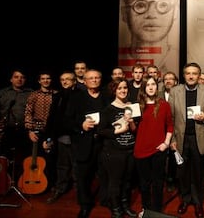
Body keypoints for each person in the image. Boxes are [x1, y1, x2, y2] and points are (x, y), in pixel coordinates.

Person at [168, 62, 204, 218]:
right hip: (181, 139)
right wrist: (172, 139)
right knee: (182, 173)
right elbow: (171, 118)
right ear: (184, 75)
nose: (190, 76)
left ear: (199, 75)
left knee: (197, 172)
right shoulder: (175, 91)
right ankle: (185, 199)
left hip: (199, 138)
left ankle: (197, 202)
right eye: (188, 73)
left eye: (194, 73)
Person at [64, 69, 110, 218]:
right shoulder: (76, 97)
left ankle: (105, 200)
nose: (95, 80)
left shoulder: (107, 96)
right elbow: (68, 120)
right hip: (84, 143)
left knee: (105, 174)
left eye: (97, 77)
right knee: (83, 177)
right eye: (91, 78)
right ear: (84, 81)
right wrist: (81, 126)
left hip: (104, 143)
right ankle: (85, 205)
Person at [97, 78, 138, 218]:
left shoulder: (131, 106)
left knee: (127, 182)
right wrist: (117, 131)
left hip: (130, 151)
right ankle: (116, 209)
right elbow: (100, 131)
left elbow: (135, 130)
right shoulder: (108, 109)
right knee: (115, 182)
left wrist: (132, 123)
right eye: (119, 88)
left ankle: (125, 205)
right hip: (114, 152)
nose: (123, 90)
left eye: (125, 87)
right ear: (114, 90)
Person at [134, 76, 174, 212]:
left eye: (153, 84)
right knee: (144, 184)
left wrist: (166, 143)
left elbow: (170, 126)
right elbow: (134, 129)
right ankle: (146, 209)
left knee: (158, 183)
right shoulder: (137, 106)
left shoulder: (164, 105)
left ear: (157, 87)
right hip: (141, 150)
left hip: (159, 150)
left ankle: (156, 211)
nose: (151, 87)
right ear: (144, 88)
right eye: (147, 85)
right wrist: (129, 121)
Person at [0, 69, 33, 183]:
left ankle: (21, 182)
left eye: (22, 77)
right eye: (16, 77)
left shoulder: (31, 93)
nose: (19, 79)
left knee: (24, 158)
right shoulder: (1, 94)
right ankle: (5, 182)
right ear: (11, 79)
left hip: (25, 131)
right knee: (5, 159)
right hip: (6, 131)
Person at [119, 0, 180, 74]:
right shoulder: (120, 63)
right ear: (125, 13)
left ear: (175, 12)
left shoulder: (183, 60)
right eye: (140, 5)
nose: (151, 15)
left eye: (163, 5)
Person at [44, 71, 78, 204]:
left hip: (76, 137)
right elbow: (51, 118)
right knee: (62, 165)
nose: (64, 82)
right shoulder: (57, 96)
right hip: (61, 137)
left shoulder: (80, 95)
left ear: (74, 81)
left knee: (76, 165)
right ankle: (60, 188)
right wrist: (48, 138)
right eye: (62, 79)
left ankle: (78, 191)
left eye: (68, 79)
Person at [23, 70, 57, 191]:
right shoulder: (33, 95)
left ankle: (51, 183)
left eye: (48, 78)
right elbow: (28, 113)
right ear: (39, 81)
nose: (46, 80)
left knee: (51, 158)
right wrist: (30, 130)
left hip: (52, 131)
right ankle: (35, 181)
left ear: (51, 80)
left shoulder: (56, 94)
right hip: (37, 130)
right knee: (36, 158)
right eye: (43, 78)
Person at [158, 71, 179, 192]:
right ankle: (160, 178)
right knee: (160, 156)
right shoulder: (158, 94)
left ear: (176, 82)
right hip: (160, 130)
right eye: (166, 79)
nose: (168, 81)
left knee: (173, 156)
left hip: (175, 130)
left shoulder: (180, 94)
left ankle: (171, 179)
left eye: (171, 79)